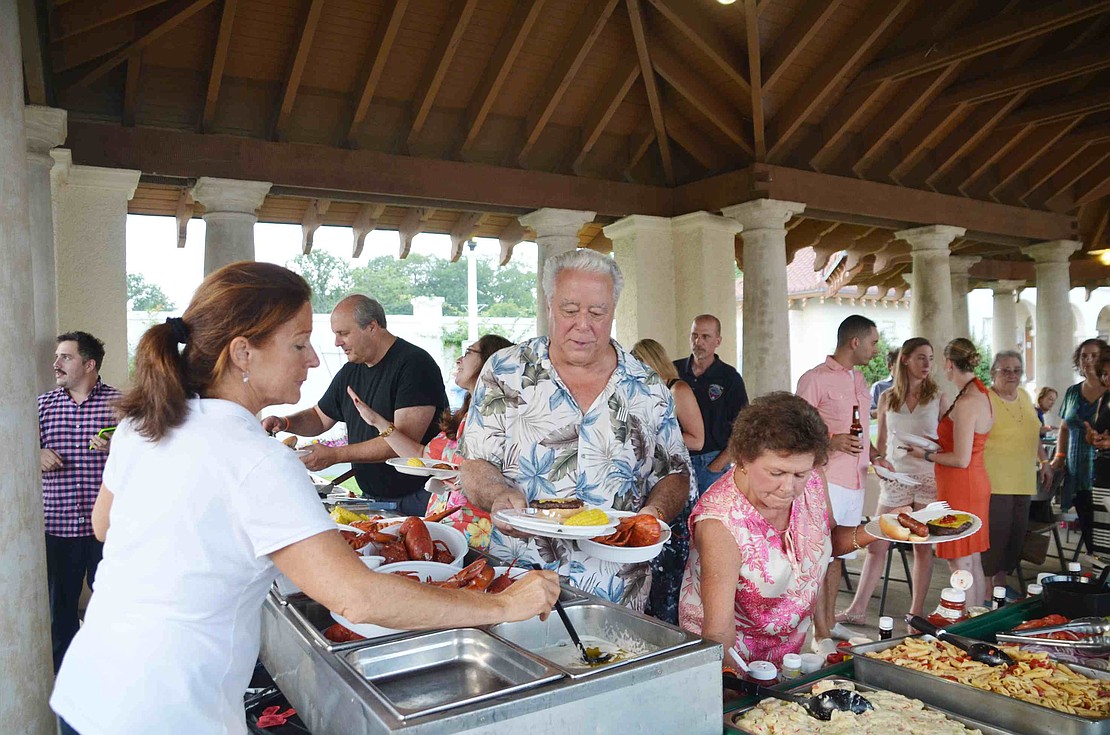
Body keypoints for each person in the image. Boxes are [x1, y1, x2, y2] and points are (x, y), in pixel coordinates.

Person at [50, 262, 558, 735]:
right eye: (300, 344)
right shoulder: (255, 458)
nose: (315, 358)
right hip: (169, 711)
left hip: (89, 690)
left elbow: (105, 525)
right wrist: (504, 605)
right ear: (243, 352)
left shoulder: (142, 426)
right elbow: (357, 597)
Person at [460, 249, 695, 610]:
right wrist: (496, 495)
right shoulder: (505, 372)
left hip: (618, 586)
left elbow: (675, 473)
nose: (583, 325)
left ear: (613, 310)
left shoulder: (646, 385)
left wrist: (655, 513)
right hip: (519, 580)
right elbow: (474, 462)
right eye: (570, 310)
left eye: (597, 313)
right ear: (550, 304)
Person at [678, 393, 882, 669]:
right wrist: (733, 690)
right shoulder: (721, 522)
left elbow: (826, 539)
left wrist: (881, 527)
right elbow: (717, 633)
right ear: (743, 460)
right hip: (732, 659)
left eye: (800, 474)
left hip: (787, 656)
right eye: (777, 473)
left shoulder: (812, 481)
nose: (789, 488)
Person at [262, 295, 449, 516]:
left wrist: (336, 455)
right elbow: (320, 417)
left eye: (343, 333)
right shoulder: (352, 370)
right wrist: (285, 422)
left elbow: (400, 445)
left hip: (420, 497)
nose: (337, 342)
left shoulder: (415, 365)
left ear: (371, 327)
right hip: (373, 498)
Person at [346, 333, 513, 550]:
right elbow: (422, 456)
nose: (459, 360)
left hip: (478, 535)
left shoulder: (502, 418)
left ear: (491, 361)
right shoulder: (464, 416)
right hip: (444, 530)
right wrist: (377, 422)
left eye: (468, 353)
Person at [796, 315, 893, 652]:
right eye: (873, 342)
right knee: (820, 554)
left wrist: (878, 455)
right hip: (825, 480)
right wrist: (832, 440)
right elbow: (797, 431)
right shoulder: (814, 379)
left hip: (855, 482)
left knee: (838, 554)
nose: (875, 349)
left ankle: (831, 623)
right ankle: (819, 631)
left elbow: (862, 431)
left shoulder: (860, 379)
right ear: (855, 342)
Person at [837, 337, 948, 629]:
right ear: (906, 360)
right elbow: (882, 442)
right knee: (876, 541)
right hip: (897, 477)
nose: (927, 364)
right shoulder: (887, 397)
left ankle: (916, 613)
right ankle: (857, 609)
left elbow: (949, 442)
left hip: (928, 475)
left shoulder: (939, 396)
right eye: (921, 357)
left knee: (923, 547)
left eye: (931, 358)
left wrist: (930, 452)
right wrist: (879, 462)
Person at [37, 331, 122, 672]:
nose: (56, 364)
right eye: (58, 357)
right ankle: (69, 682)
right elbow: (9, 455)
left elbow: (151, 456)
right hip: (56, 528)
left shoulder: (121, 406)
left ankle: (112, 675)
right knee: (60, 613)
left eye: (66, 357)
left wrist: (119, 448)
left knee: (114, 607)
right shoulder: (41, 406)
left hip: (109, 529)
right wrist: (36, 453)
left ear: (89, 365)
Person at [903, 338, 994, 609]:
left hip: (962, 485)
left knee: (960, 560)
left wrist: (926, 454)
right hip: (971, 482)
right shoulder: (980, 393)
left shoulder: (967, 401)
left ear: (950, 364)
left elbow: (961, 459)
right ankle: (975, 617)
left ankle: (967, 621)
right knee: (971, 558)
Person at [632, 337, 705, 623]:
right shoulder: (641, 393)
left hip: (675, 476)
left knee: (673, 556)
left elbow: (698, 438)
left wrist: (657, 439)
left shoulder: (678, 388)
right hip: (650, 479)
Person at [982, 351, 1049, 598]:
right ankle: (986, 591)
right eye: (1005, 370)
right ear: (993, 373)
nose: (1012, 375)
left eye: (1017, 370)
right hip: (995, 481)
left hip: (1023, 480)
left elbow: (1034, 433)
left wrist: (1044, 460)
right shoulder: (985, 399)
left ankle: (1000, 586)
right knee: (995, 538)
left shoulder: (1023, 395)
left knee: (1015, 538)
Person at [674, 314, 748, 495]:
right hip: (676, 458)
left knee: (707, 519)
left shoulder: (730, 378)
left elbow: (744, 428)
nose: (698, 341)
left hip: (711, 461)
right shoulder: (674, 370)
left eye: (705, 337)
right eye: (694, 335)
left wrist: (717, 465)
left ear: (718, 341)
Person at [1050, 338, 1109, 562]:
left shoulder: (1109, 390)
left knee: (1103, 521)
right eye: (1084, 355)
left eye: (1094, 355)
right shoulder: (1073, 392)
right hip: (1078, 467)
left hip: (1103, 467)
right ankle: (1095, 561)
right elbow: (1064, 427)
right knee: (1086, 517)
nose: (1088, 360)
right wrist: (1059, 457)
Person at [632, 338, 704, 452]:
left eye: (642, 365)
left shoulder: (678, 390)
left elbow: (697, 441)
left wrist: (651, 438)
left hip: (683, 463)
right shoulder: (646, 390)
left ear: (655, 363)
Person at [1082, 349, 1110, 517]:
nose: (1107, 378)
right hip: (1102, 469)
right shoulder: (1104, 398)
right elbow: (1095, 431)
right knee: (1102, 528)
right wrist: (1091, 436)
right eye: (1105, 373)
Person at [869, 348, 899, 419]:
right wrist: (889, 409)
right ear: (890, 365)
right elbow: (870, 413)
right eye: (899, 363)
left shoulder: (914, 386)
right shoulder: (879, 387)